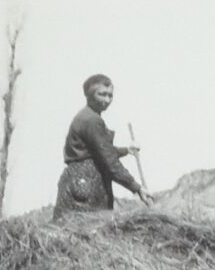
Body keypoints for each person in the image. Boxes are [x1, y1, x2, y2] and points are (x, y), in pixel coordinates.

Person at [53, 73, 154, 220]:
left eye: (110, 95)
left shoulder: (86, 116)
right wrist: (137, 188)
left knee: (71, 228)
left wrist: (127, 150)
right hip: (87, 183)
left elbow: (99, 151)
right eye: (102, 94)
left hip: (77, 181)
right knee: (91, 228)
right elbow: (109, 161)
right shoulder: (92, 120)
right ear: (89, 95)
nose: (107, 100)